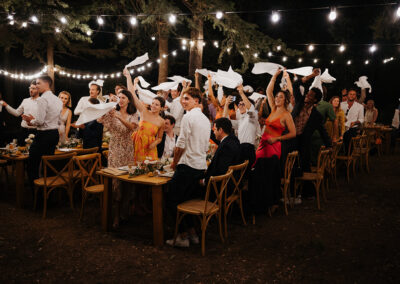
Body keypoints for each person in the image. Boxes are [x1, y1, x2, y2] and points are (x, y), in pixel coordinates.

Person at [166, 87, 211, 248]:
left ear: (197, 101)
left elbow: (180, 145)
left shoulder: (188, 117)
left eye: (187, 99)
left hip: (187, 165)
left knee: (171, 200)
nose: (183, 101)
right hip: (199, 166)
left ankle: (182, 237)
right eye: (183, 98)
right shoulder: (206, 119)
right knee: (187, 201)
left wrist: (174, 163)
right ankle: (192, 234)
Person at [249, 69, 296, 214]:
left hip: (274, 146)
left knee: (269, 176)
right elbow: (269, 91)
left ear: (285, 100)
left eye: (280, 97)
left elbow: (293, 133)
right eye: (277, 96)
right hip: (263, 144)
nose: (277, 98)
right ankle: (259, 203)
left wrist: (277, 138)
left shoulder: (286, 114)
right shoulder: (273, 109)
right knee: (257, 173)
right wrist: (275, 76)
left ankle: (271, 202)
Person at [98, 89, 139, 228]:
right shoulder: (112, 111)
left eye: (123, 98)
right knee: (115, 181)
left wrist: (119, 117)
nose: (120, 100)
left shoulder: (133, 114)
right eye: (119, 97)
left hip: (127, 148)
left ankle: (125, 212)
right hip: (115, 149)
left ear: (128, 100)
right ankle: (115, 216)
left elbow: (132, 128)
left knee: (127, 181)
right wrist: (105, 111)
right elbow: (100, 121)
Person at [22, 76, 62, 187]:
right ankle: (48, 196)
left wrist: (31, 121)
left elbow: (39, 121)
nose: (36, 86)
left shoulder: (42, 99)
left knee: (32, 165)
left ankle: (37, 196)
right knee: (48, 165)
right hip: (54, 134)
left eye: (38, 83)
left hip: (43, 135)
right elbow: (58, 121)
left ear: (46, 84)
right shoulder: (58, 100)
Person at [291, 68, 332, 174]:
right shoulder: (299, 102)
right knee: (289, 166)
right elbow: (296, 85)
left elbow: (323, 131)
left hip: (303, 142)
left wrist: (330, 146)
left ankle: (305, 187)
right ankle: (290, 187)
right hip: (290, 138)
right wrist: (311, 76)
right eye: (307, 93)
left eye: (310, 95)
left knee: (304, 167)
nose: (306, 95)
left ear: (315, 100)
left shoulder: (316, 116)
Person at [124, 70, 165, 162]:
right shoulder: (144, 111)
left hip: (150, 147)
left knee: (149, 170)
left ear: (161, 108)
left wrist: (155, 143)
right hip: (137, 143)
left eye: (157, 105)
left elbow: (160, 138)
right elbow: (132, 93)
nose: (153, 106)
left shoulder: (162, 121)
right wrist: (128, 77)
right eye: (153, 103)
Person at [223, 84, 261, 173]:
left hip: (248, 150)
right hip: (240, 149)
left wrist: (241, 92)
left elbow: (251, 108)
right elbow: (225, 121)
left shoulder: (252, 117)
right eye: (239, 104)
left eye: (243, 104)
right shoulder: (240, 120)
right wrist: (226, 105)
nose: (240, 106)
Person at [1, 80, 40, 145]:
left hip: (35, 131)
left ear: (38, 89)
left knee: (33, 152)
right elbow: (17, 113)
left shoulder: (42, 102)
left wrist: (33, 120)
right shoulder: (25, 101)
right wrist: (6, 105)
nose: (31, 90)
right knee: (21, 150)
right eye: (30, 88)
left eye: (33, 88)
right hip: (23, 130)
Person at [203, 117, 241, 182]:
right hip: (232, 178)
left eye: (214, 130)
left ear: (220, 130)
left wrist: (204, 181)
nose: (214, 132)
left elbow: (220, 171)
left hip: (223, 184)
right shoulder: (233, 139)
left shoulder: (226, 147)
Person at [340, 88, 364, 153]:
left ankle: (347, 158)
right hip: (341, 127)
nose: (352, 96)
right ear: (347, 95)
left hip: (352, 128)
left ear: (355, 96)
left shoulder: (360, 106)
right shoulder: (341, 104)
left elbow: (361, 119)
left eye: (354, 94)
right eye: (350, 94)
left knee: (348, 139)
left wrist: (355, 122)